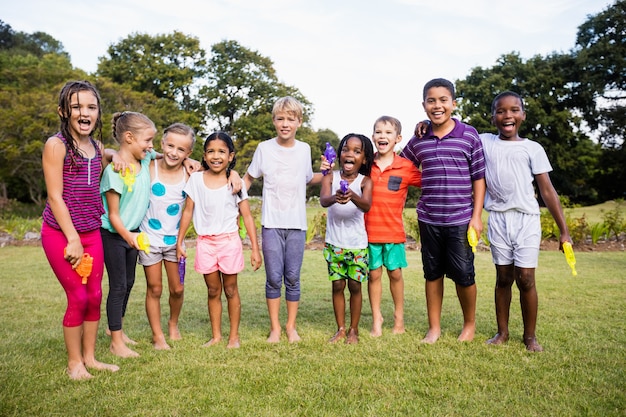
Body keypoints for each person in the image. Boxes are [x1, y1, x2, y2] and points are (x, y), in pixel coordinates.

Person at [481, 91, 572, 352]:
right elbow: (455, 132)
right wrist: (427, 126)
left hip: (527, 220)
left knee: (526, 278)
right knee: (503, 277)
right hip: (498, 219)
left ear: (523, 115)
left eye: (514, 110)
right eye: (500, 111)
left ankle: (530, 337)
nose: (507, 115)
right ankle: (502, 333)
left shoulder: (533, 148)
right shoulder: (485, 142)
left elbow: (547, 191)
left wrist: (564, 231)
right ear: (493, 117)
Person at [41, 80, 119, 379]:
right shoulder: (56, 145)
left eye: (91, 107)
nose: (84, 113)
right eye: (76, 107)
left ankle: (90, 357)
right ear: (64, 111)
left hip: (91, 232)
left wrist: (118, 154)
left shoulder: (97, 147)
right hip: (61, 234)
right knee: (78, 297)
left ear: (97, 112)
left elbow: (112, 152)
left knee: (95, 295)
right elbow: (55, 196)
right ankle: (74, 363)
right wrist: (72, 239)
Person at [400, 78, 486, 344]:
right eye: (431, 100)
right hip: (429, 218)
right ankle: (433, 328)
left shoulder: (469, 135)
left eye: (443, 100)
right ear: (424, 105)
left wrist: (476, 217)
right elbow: (400, 165)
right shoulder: (419, 139)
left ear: (453, 103)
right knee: (432, 273)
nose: (437, 105)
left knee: (463, 274)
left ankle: (469, 325)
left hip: (461, 219)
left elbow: (479, 178)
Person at [243, 96, 327, 343]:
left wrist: (328, 174)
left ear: (299, 122)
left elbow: (307, 178)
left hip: (297, 225)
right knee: (273, 278)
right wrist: (235, 195)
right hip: (271, 223)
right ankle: (275, 329)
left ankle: (291, 327)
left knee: (292, 277)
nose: (285, 123)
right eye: (280, 119)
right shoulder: (264, 148)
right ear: (274, 121)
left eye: (291, 119)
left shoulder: (304, 149)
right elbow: (247, 179)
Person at [177, 132, 262, 348]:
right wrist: (180, 241)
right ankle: (216, 336)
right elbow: (187, 212)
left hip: (229, 242)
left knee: (231, 289)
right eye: (211, 152)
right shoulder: (196, 180)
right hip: (205, 243)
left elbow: (247, 216)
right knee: (213, 290)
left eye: (222, 152)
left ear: (230, 156)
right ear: (204, 156)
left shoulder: (236, 183)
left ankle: (234, 337)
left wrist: (255, 249)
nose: (216, 156)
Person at [101, 111, 157, 358]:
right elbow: (113, 215)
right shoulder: (114, 172)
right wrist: (129, 236)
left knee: (130, 283)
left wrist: (188, 160)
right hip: (114, 235)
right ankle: (116, 342)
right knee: (118, 286)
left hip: (133, 235)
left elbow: (168, 156)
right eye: (148, 140)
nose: (151, 146)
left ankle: (118, 330)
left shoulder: (143, 161)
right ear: (129, 137)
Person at [137, 123, 195, 350]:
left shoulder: (190, 174)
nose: (174, 152)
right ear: (162, 144)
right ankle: (157, 335)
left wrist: (181, 242)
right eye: (170, 146)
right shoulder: (149, 166)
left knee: (177, 288)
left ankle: (173, 324)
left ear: (188, 153)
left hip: (175, 242)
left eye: (181, 150)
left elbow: (188, 212)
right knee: (155, 288)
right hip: (149, 239)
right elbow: (117, 153)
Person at [366, 116, 422, 337]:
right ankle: (377, 319)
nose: (383, 136)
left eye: (388, 133)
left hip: (394, 233)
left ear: (397, 138)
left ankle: (399, 319)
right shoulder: (365, 165)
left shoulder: (406, 167)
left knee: (395, 274)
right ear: (373, 137)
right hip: (369, 233)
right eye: (378, 132)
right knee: (373, 275)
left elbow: (430, 181)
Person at [320, 133, 374, 344]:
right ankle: (340, 328)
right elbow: (324, 200)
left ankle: (354, 329)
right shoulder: (330, 176)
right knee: (337, 286)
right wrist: (336, 197)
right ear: (339, 154)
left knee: (355, 286)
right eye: (345, 149)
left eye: (356, 151)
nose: (349, 154)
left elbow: (367, 205)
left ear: (364, 159)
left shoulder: (365, 182)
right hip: (334, 243)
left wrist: (352, 195)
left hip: (357, 245)